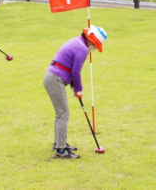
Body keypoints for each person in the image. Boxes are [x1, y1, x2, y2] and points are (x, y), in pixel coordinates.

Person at [43, 25, 108, 159]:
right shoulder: (82, 48)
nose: (94, 48)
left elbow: (70, 69)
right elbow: (75, 72)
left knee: (61, 113)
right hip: (55, 79)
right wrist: (78, 89)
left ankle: (59, 143)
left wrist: (74, 86)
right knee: (63, 113)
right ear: (91, 41)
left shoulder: (78, 42)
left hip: (53, 77)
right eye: (95, 45)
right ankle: (61, 151)